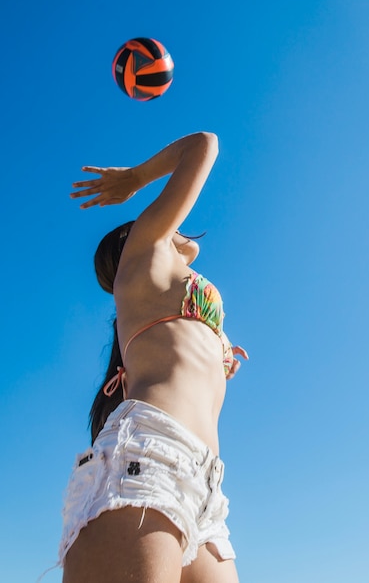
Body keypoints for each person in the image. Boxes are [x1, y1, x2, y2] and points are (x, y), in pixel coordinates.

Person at [60, 132, 248, 583]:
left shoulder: (160, 290)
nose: (177, 225)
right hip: (150, 453)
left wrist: (218, 352)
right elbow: (203, 145)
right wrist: (137, 178)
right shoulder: (145, 255)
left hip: (204, 483)